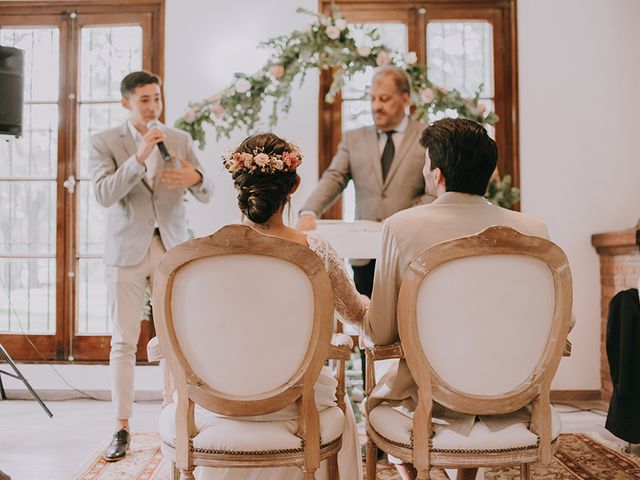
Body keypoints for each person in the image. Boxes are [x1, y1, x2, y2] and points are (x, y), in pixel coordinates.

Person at [363, 118, 551, 480]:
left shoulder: (401, 227)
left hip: (430, 400)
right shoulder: (533, 230)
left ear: (437, 175)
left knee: (380, 405)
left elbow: (382, 332)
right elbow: (563, 322)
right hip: (511, 395)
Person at [195, 133, 368, 480]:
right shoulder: (315, 251)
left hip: (222, 397)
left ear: (238, 186)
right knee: (339, 401)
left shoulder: (205, 255)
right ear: (294, 186)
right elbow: (357, 315)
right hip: (298, 400)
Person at [90, 70, 212, 462]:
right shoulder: (104, 141)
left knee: (173, 340)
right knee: (124, 342)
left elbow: (207, 190)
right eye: (144, 99)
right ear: (126, 102)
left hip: (171, 249)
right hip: (126, 253)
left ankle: (172, 417)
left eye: (156, 98)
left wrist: (196, 176)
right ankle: (121, 426)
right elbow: (104, 194)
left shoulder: (179, 140)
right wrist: (139, 157)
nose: (153, 106)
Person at [297, 65, 434, 299]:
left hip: (410, 251)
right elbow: (335, 177)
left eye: (384, 99)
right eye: (372, 98)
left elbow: (435, 190)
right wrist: (310, 210)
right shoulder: (354, 138)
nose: (376, 106)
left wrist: (401, 220)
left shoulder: (428, 136)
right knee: (368, 327)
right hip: (365, 257)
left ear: (405, 99)